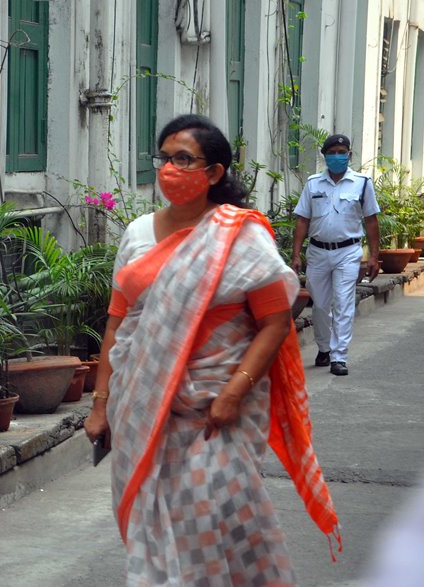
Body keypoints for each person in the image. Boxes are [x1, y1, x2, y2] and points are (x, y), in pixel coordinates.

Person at [84, 114, 340, 585]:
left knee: (213, 514)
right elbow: (118, 324)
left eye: (184, 159)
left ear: (215, 171)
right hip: (144, 406)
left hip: (218, 411)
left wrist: (232, 394)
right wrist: (100, 405)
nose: (169, 169)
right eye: (164, 158)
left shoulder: (241, 236)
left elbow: (275, 323)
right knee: (157, 521)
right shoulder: (138, 234)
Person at [292, 133, 380, 376]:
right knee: (320, 305)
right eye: (332, 153)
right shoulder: (313, 184)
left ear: (349, 155)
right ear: (325, 156)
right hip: (318, 252)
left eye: (342, 153)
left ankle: (339, 356)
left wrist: (374, 256)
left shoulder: (362, 183)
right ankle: (324, 348)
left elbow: (371, 220)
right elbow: (302, 220)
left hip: (348, 252)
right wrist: (296, 254)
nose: (337, 157)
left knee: (343, 303)